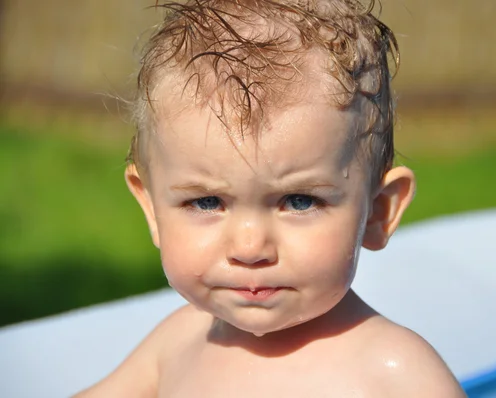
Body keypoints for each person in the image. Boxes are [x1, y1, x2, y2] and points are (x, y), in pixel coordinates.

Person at [76, 0, 466, 396]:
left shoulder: (393, 373)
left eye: (299, 201)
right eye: (207, 202)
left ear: (377, 213)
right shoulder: (177, 344)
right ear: (153, 209)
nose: (249, 248)